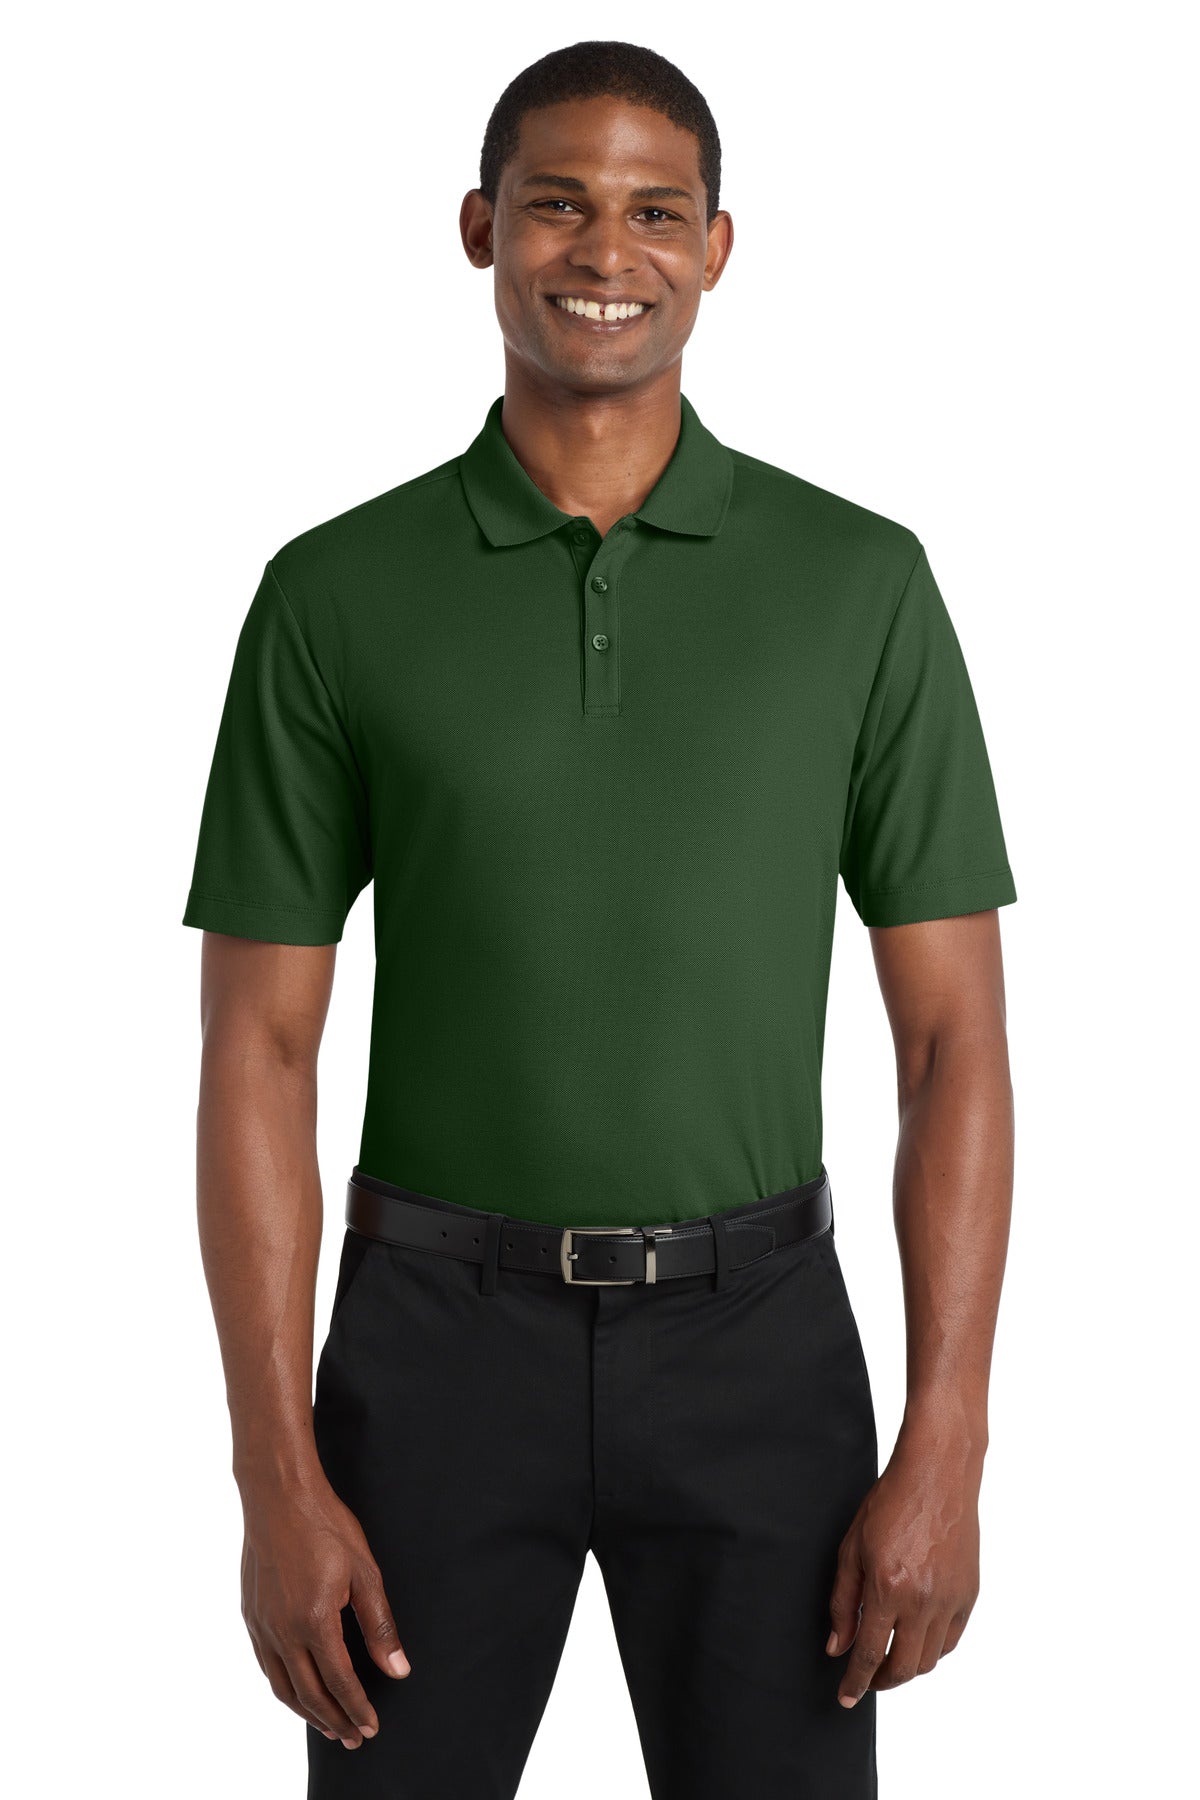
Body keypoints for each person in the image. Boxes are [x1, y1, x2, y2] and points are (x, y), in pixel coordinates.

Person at [183, 38, 1017, 1800]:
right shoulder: (331, 596)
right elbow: (258, 1050)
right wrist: (273, 1473)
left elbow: (952, 1041)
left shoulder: (862, 585)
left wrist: (949, 1435)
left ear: (718, 248)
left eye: (656, 211)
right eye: (558, 203)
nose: (606, 250)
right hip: (430, 1348)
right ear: (480, 227)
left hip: (760, 1346)